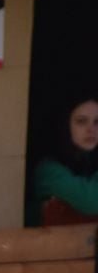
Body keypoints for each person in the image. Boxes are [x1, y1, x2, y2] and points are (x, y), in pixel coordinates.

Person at [29, 94, 98, 227]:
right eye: (82, 121)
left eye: (97, 122)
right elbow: (92, 201)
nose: (91, 130)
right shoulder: (48, 170)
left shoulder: (88, 160)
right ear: (65, 125)